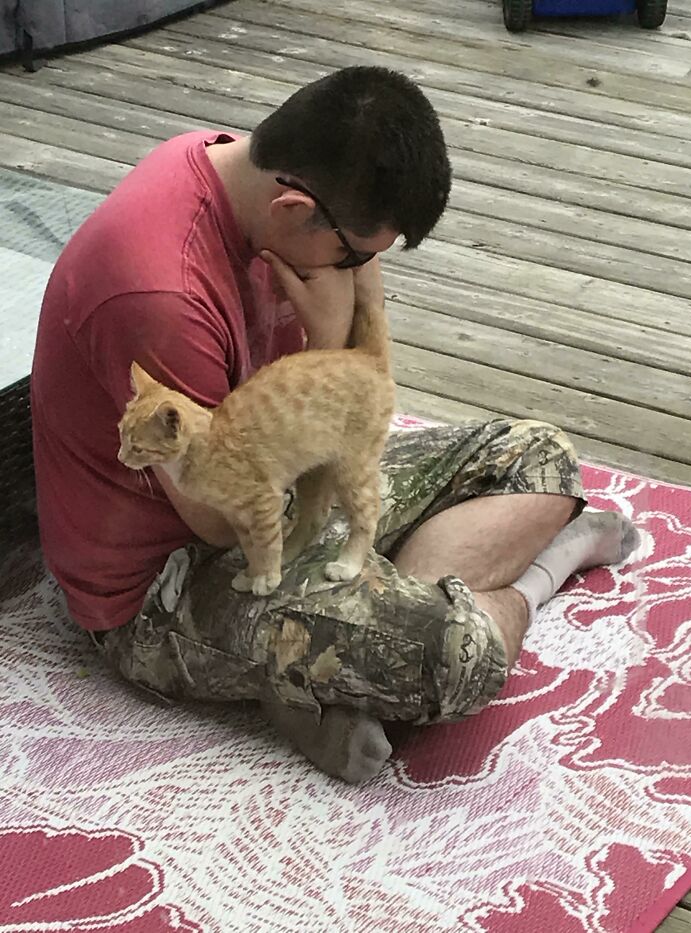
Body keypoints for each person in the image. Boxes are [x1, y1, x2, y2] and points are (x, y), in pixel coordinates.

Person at [31, 66, 638, 782]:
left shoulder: (251, 184)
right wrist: (325, 346)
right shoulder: (160, 293)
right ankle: (537, 575)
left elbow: (361, 401)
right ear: (292, 210)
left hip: (285, 481)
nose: (360, 273)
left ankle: (333, 661)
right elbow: (221, 519)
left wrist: (354, 324)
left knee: (538, 455)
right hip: (166, 576)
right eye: (356, 255)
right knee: (450, 653)